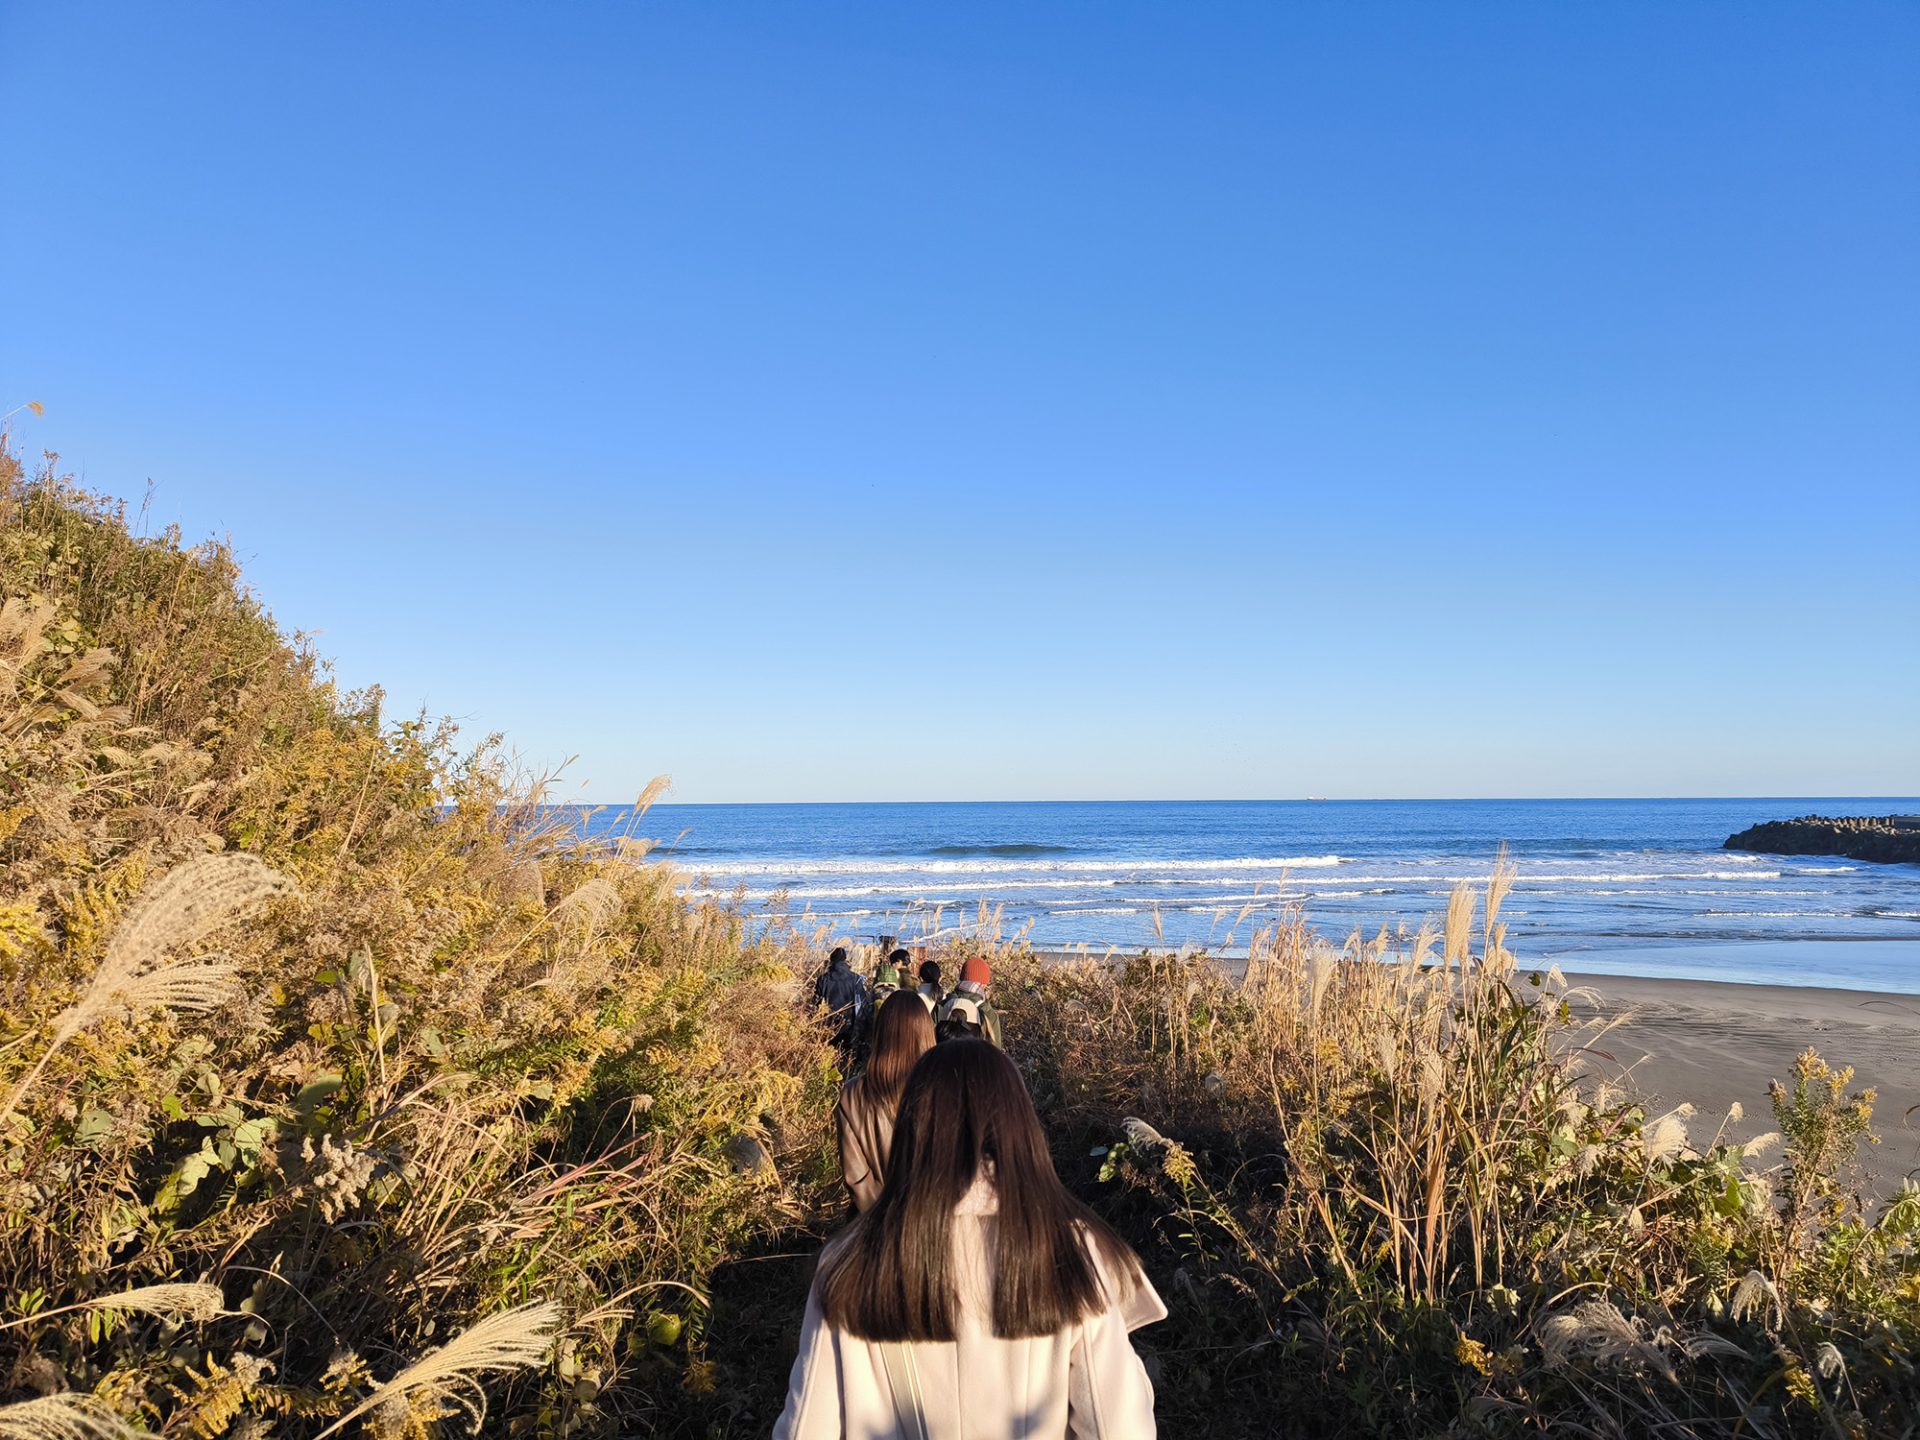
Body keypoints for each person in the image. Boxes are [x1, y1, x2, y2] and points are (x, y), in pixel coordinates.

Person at [774, 1041, 1164, 1439]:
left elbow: (805, 1428)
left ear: (912, 1131)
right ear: (1022, 1130)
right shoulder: (1070, 1251)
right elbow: (1119, 1428)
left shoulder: (851, 1260)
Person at [834, 990, 936, 1212]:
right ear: (926, 1032)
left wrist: (885, 1222)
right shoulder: (941, 1090)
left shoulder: (853, 1094)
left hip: (872, 1226)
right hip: (931, 1225)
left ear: (881, 1033)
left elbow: (856, 1179)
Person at [935, 953, 1006, 1048]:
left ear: (961, 979)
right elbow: (995, 1052)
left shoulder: (942, 1005)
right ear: (984, 985)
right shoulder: (989, 1014)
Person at [812, 946, 866, 1060]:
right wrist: (860, 1023)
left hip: (830, 1021)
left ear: (831, 960)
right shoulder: (855, 978)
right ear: (845, 960)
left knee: (830, 1055)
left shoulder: (823, 979)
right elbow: (861, 1002)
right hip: (849, 1021)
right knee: (847, 1054)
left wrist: (816, 1022)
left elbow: (816, 1002)